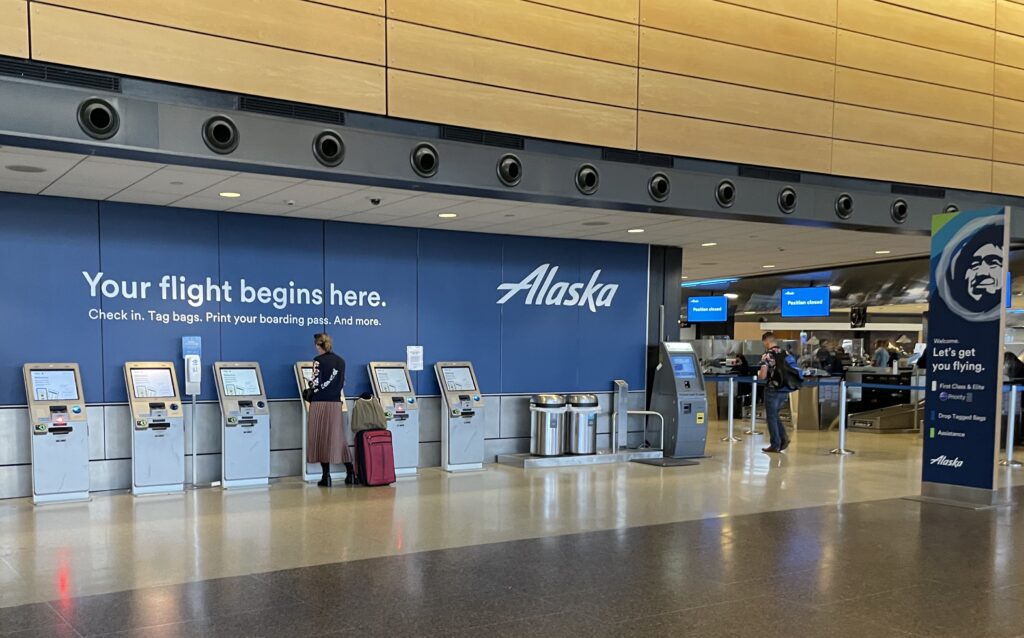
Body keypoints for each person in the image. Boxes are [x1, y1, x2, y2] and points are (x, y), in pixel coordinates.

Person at [306, 333, 354, 486]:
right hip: (335, 404)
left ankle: (326, 477)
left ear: (318, 346)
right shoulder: (341, 361)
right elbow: (342, 382)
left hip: (319, 404)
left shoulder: (318, 361)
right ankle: (351, 473)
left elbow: (314, 383)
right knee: (337, 438)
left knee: (320, 438)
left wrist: (309, 388)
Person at [757, 331, 792, 453]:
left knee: (771, 417)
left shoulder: (767, 355)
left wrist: (758, 374)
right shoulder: (785, 353)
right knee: (775, 415)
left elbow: (762, 375)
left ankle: (775, 444)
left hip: (772, 389)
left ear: (766, 341)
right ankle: (784, 438)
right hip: (784, 389)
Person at [350, 392, 389, 484]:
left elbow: (355, 426)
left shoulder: (358, 403)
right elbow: (384, 423)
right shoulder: (376, 401)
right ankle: (384, 476)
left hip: (364, 436)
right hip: (380, 434)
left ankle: (365, 477)